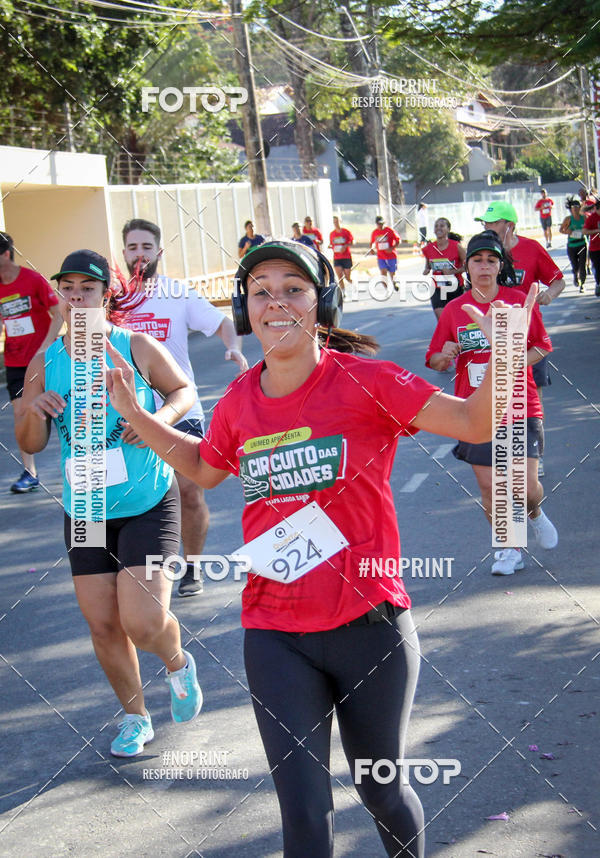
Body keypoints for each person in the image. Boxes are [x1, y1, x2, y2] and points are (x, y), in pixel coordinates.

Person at [104, 238, 532, 858]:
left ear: (321, 300)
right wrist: (135, 416)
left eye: (294, 288)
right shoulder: (241, 402)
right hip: (274, 630)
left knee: (379, 787)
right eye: (260, 291)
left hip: (370, 624)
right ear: (245, 309)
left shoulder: (368, 381)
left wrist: (509, 348)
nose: (276, 302)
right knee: (302, 809)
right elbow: (203, 467)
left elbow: (473, 423)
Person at [14, 249, 202, 757]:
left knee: (142, 622)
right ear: (59, 295)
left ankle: (177, 662)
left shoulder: (135, 346)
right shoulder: (44, 361)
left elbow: (183, 390)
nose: (77, 296)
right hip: (87, 511)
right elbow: (29, 443)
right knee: (102, 623)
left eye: (88, 288)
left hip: (147, 499)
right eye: (68, 287)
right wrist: (34, 408)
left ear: (106, 296)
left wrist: (155, 419)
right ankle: (135, 717)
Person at [121, 218, 248, 597]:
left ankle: (191, 566)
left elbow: (224, 323)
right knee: (130, 496)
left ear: (158, 252)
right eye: (132, 247)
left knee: (189, 491)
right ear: (123, 253)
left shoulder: (177, 293)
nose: (139, 254)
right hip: (126, 414)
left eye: (146, 247)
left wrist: (234, 347)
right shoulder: (112, 299)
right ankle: (134, 572)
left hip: (180, 408)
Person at [426, 231, 557, 576]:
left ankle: (535, 512)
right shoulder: (455, 310)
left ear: (501, 266)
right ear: (466, 266)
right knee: (491, 486)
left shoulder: (518, 302)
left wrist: (511, 359)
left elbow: (542, 346)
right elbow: (434, 358)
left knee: (525, 488)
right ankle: (510, 548)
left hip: (519, 403)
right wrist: (446, 354)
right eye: (477, 260)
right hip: (475, 410)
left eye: (491, 260)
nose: (484, 266)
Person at [475, 200, 565, 477]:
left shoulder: (531, 249)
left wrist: (549, 294)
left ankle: (533, 456)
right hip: (493, 338)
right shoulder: (485, 253)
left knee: (531, 400)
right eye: (485, 224)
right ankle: (502, 456)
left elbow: (558, 280)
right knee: (496, 399)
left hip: (528, 340)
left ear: (509, 225)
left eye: (493, 223)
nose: (487, 228)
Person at [0, 232, 63, 493]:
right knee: (21, 413)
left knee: (61, 412)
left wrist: (46, 345)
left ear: (5, 254)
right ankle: (30, 472)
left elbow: (58, 313)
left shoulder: (33, 280)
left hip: (43, 359)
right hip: (15, 361)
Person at [421, 218, 466, 319]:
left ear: (448, 229)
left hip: (455, 287)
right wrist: (426, 270)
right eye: (436, 226)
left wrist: (453, 271)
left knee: (455, 318)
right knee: (442, 319)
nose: (438, 228)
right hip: (437, 288)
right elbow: (428, 265)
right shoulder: (429, 248)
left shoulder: (456, 247)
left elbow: (468, 266)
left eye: (442, 226)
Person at [560, 198, 587, 292]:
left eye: (577, 207)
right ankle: (575, 275)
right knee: (575, 266)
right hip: (572, 246)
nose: (575, 209)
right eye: (573, 207)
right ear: (571, 209)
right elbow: (561, 230)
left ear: (580, 208)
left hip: (582, 244)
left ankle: (582, 284)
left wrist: (586, 232)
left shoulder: (584, 218)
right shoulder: (568, 219)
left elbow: (589, 228)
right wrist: (568, 231)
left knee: (582, 266)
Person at [370, 215, 400, 292]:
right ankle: (387, 290)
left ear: (384, 223)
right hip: (381, 256)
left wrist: (392, 248)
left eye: (382, 223)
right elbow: (372, 243)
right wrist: (372, 249)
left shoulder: (389, 230)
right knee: (383, 272)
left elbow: (398, 240)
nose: (380, 225)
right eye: (379, 224)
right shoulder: (375, 232)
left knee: (392, 272)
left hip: (391, 255)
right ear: (376, 224)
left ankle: (394, 283)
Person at [328, 215, 354, 294]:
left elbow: (352, 242)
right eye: (334, 222)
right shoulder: (332, 234)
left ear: (340, 221)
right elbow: (332, 244)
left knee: (347, 277)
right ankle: (343, 293)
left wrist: (345, 246)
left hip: (346, 257)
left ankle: (353, 283)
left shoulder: (346, 232)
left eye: (337, 221)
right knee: (340, 277)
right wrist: (330, 246)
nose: (336, 223)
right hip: (337, 257)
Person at [583, 196, 600, 296]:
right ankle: (598, 284)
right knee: (598, 268)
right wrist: (596, 231)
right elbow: (584, 231)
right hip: (595, 248)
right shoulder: (592, 218)